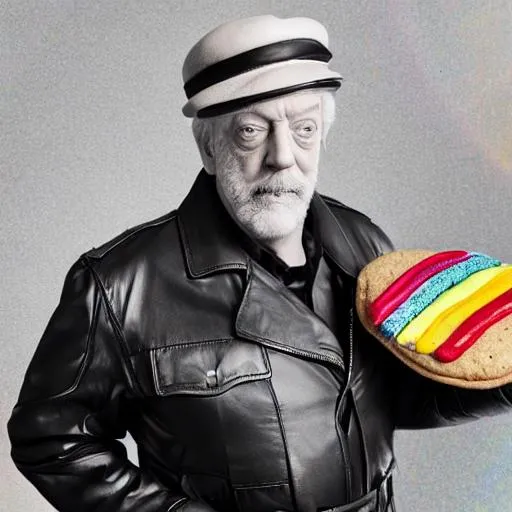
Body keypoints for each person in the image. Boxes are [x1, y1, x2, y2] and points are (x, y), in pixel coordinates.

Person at [7, 14, 512, 512]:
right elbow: (50, 438)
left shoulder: (364, 244)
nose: (283, 156)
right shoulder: (118, 287)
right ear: (208, 146)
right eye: (252, 131)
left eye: (304, 128)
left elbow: (391, 399)